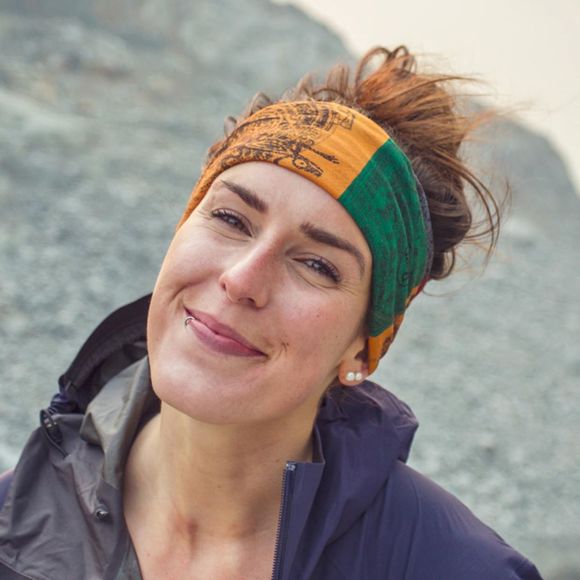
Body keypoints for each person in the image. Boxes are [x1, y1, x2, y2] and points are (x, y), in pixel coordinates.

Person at [0, 46, 542, 579]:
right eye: (231, 219)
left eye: (317, 265)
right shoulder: (14, 525)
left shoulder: (456, 569)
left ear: (362, 348)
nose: (241, 280)